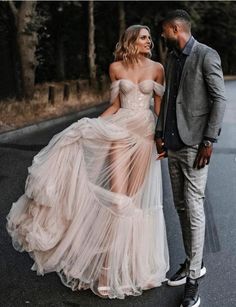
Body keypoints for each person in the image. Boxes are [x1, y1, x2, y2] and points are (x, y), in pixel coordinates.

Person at [6, 25, 169, 299]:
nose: (149, 41)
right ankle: (106, 268)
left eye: (150, 38)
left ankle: (131, 267)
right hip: (119, 133)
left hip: (144, 138)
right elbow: (115, 107)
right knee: (116, 201)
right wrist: (88, 126)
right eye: (143, 37)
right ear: (131, 40)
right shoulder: (116, 68)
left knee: (133, 202)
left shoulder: (157, 68)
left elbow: (158, 108)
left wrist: (161, 140)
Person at [155, 9, 226, 307]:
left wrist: (209, 140)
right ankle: (190, 261)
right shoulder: (172, 58)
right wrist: (160, 132)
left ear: (175, 28)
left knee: (194, 206)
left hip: (196, 146)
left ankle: (193, 280)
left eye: (164, 32)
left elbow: (219, 99)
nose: (161, 36)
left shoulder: (206, 55)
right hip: (172, 143)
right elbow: (169, 96)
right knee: (181, 206)